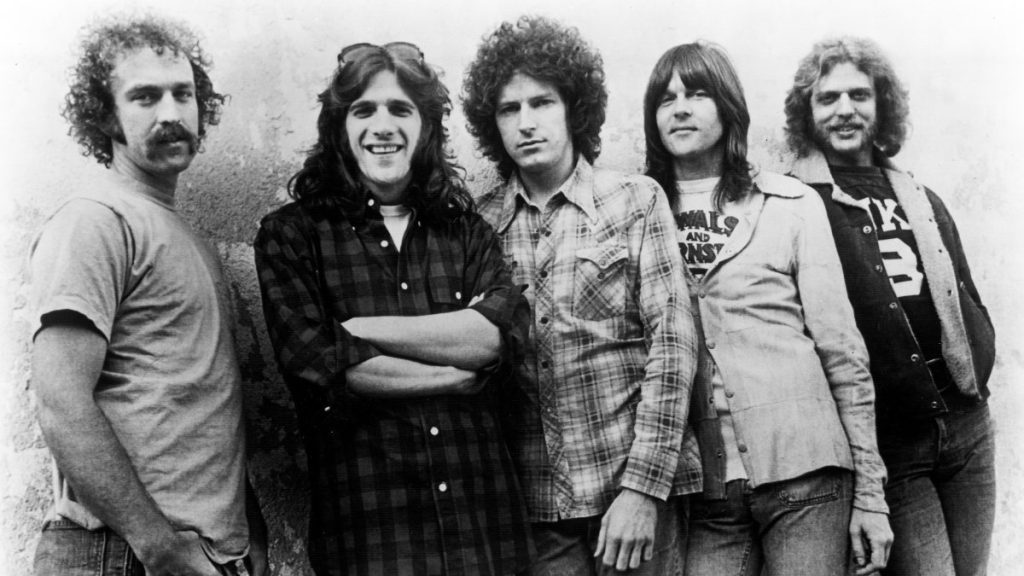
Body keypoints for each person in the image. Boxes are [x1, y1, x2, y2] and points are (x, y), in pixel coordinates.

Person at [254, 42, 533, 576]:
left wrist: (361, 330)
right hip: (373, 539)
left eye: (400, 109)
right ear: (339, 127)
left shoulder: (468, 233)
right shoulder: (292, 236)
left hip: (483, 534)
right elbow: (322, 366)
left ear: (426, 126)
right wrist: (451, 375)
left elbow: (493, 339)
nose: (382, 126)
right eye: (364, 110)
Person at [29, 14, 267, 576]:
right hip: (121, 552)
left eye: (183, 94)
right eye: (145, 97)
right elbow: (60, 401)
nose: (171, 113)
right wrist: (156, 543)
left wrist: (247, 527)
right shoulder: (95, 220)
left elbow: (198, 403)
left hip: (198, 555)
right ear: (104, 115)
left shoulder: (189, 238)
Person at [643, 42, 893, 575]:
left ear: (728, 107)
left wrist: (871, 496)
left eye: (697, 94)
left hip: (807, 474)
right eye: (666, 99)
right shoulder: (638, 214)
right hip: (708, 492)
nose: (680, 109)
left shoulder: (791, 204)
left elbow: (843, 352)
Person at [463, 16, 699, 575]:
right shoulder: (479, 224)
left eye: (542, 102)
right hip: (538, 508)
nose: (526, 122)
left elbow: (673, 347)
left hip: (633, 495)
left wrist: (642, 489)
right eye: (509, 109)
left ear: (574, 109)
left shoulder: (635, 200)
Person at [785, 37, 996, 576]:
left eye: (859, 95)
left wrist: (979, 364)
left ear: (881, 105)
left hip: (967, 427)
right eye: (828, 98)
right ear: (807, 113)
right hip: (892, 442)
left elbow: (964, 292)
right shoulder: (796, 203)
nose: (845, 109)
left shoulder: (918, 194)